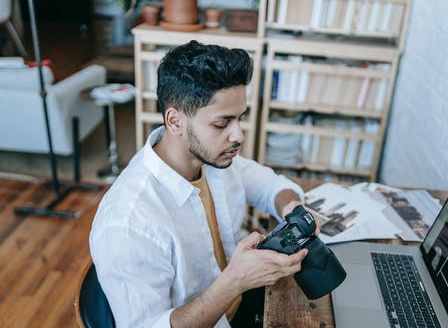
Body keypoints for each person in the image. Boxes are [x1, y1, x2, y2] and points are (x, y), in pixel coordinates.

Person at [90, 40, 316, 328]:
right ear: (175, 122)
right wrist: (234, 282)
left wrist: (292, 208)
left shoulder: (213, 158)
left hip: (246, 300)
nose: (238, 136)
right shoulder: (128, 223)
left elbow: (269, 185)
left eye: (240, 119)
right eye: (222, 124)